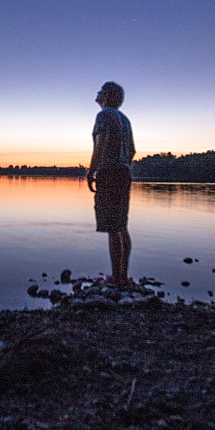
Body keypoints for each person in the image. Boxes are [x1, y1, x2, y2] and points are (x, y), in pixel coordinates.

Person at [87, 81, 135, 288]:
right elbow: (132, 150)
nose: (96, 93)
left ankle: (116, 278)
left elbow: (101, 142)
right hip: (124, 172)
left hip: (109, 173)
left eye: (100, 91)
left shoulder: (104, 115)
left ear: (106, 96)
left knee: (112, 226)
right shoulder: (125, 119)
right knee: (121, 225)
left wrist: (92, 171)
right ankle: (122, 275)